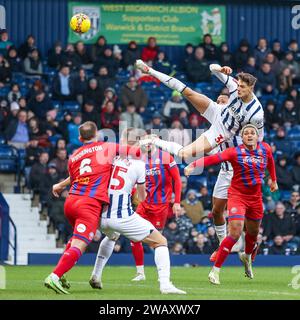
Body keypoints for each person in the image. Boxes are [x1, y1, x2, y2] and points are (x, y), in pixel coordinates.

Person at [45, 122, 142, 294]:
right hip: (89, 204)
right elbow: (137, 153)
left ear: (80, 138)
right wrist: (144, 142)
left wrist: (60, 185)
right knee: (81, 244)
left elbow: (75, 178)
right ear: (97, 134)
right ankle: (54, 276)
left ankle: (61, 273)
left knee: (75, 239)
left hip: (71, 202)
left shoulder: (74, 156)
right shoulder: (106, 147)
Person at [89, 129, 186, 294]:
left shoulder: (109, 159)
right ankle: (165, 284)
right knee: (160, 241)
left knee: (111, 236)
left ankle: (96, 275)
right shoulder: (139, 164)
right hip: (123, 215)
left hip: (103, 214)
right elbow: (141, 197)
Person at [184, 124, 277, 285]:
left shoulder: (265, 149)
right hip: (237, 196)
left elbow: (270, 163)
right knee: (235, 232)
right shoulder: (235, 152)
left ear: (257, 136)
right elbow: (213, 159)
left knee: (253, 235)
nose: (249, 135)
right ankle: (215, 271)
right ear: (242, 137)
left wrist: (273, 180)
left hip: (255, 198)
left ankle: (246, 257)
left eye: (252, 133)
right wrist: (193, 164)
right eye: (246, 133)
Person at [135, 60, 264, 161]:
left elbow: (259, 138)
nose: (239, 89)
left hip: (223, 131)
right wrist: (220, 69)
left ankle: (154, 140)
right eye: (239, 85)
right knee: (187, 92)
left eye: (242, 87)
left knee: (185, 154)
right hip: (218, 112)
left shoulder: (256, 113)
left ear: (251, 88)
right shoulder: (235, 86)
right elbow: (212, 67)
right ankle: (150, 70)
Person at [129, 133, 182, 282]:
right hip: (144, 204)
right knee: (133, 236)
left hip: (160, 205)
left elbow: (177, 180)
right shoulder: (139, 157)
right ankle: (140, 273)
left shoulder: (166, 157)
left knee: (157, 241)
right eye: (145, 140)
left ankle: (163, 275)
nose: (147, 143)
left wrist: (176, 202)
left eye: (151, 139)